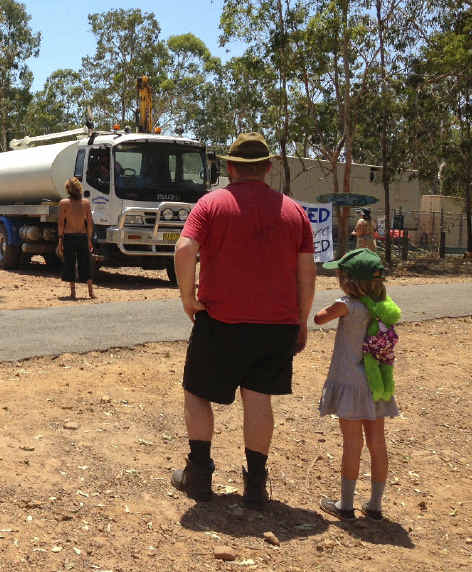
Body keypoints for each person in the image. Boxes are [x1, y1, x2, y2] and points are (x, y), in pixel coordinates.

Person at [170, 132, 316, 508]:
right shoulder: (294, 212)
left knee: (197, 393)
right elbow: (307, 273)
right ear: (267, 168)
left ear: (230, 167)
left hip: (220, 321)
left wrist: (189, 298)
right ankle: (255, 486)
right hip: (275, 326)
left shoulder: (210, 204)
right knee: (258, 399)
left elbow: (184, 250)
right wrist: (300, 321)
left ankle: (199, 476)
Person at [314, 248, 400, 521]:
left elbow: (318, 317)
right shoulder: (383, 307)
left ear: (348, 280)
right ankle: (374, 505)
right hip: (376, 383)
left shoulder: (347, 305)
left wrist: (341, 299)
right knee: (377, 443)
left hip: (350, 383)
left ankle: (346, 504)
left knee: (352, 444)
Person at [57, 177, 95, 299]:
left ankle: (73, 293)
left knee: (70, 264)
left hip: (69, 237)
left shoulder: (64, 203)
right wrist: (89, 239)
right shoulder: (86, 203)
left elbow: (61, 223)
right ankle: (91, 292)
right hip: (83, 237)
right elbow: (89, 223)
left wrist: (60, 240)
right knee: (86, 264)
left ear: (68, 189)